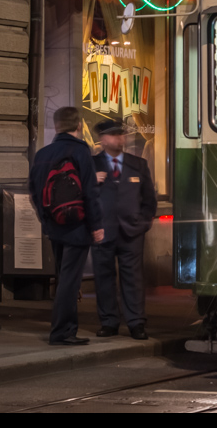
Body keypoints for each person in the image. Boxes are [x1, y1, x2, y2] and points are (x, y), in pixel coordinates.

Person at [30, 107, 104, 345]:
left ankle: (64, 329)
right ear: (78, 126)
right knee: (70, 281)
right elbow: (90, 193)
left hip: (54, 227)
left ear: (57, 125)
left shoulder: (43, 154)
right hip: (77, 226)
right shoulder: (81, 151)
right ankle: (62, 332)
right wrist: (96, 225)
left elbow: (34, 191)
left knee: (63, 276)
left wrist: (46, 220)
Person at [91, 119, 158, 340]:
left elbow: (149, 199)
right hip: (102, 230)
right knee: (104, 278)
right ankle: (109, 322)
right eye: (113, 135)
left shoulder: (137, 164)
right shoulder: (92, 165)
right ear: (102, 139)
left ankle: (136, 322)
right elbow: (83, 197)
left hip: (132, 232)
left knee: (134, 279)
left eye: (121, 134)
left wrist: (143, 223)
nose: (119, 139)